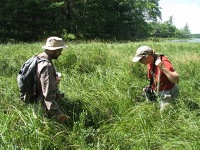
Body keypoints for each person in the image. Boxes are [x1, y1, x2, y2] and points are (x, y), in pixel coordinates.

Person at [132, 46, 179, 111]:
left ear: (147, 57)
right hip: (158, 90)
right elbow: (154, 76)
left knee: (165, 115)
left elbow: (176, 79)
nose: (139, 61)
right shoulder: (150, 61)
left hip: (167, 92)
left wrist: (162, 67)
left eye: (140, 59)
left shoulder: (163, 62)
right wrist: (150, 86)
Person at [36, 36, 68, 122]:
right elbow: (48, 95)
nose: (61, 53)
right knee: (47, 125)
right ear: (52, 50)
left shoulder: (39, 57)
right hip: (39, 103)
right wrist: (59, 114)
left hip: (36, 97)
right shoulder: (47, 66)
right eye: (59, 50)